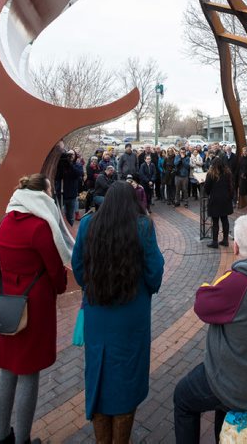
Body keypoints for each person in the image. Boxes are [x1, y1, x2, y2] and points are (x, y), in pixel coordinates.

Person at [173, 215, 247, 444]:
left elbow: (201, 304)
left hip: (241, 384)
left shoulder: (238, 283)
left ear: (235, 246)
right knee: (221, 410)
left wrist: (224, 277)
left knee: (183, 397)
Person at [72, 181, 164, 443]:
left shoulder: (89, 224)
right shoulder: (143, 226)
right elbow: (154, 273)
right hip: (131, 313)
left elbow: (78, 266)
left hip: (97, 310)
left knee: (98, 370)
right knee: (127, 373)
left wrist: (92, 285)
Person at [0, 173, 71, 444]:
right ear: (40, 196)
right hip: (34, 306)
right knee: (29, 373)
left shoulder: (6, 221)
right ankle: (24, 438)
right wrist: (60, 286)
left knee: (7, 372)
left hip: (7, 305)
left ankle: (2, 436)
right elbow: (55, 270)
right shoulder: (39, 227)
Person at [204, 156, 234, 248]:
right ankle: (225, 240)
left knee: (215, 221)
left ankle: (215, 242)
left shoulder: (211, 174)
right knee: (225, 219)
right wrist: (230, 197)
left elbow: (207, 188)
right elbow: (231, 186)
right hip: (225, 199)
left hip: (215, 199)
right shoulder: (227, 173)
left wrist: (210, 193)